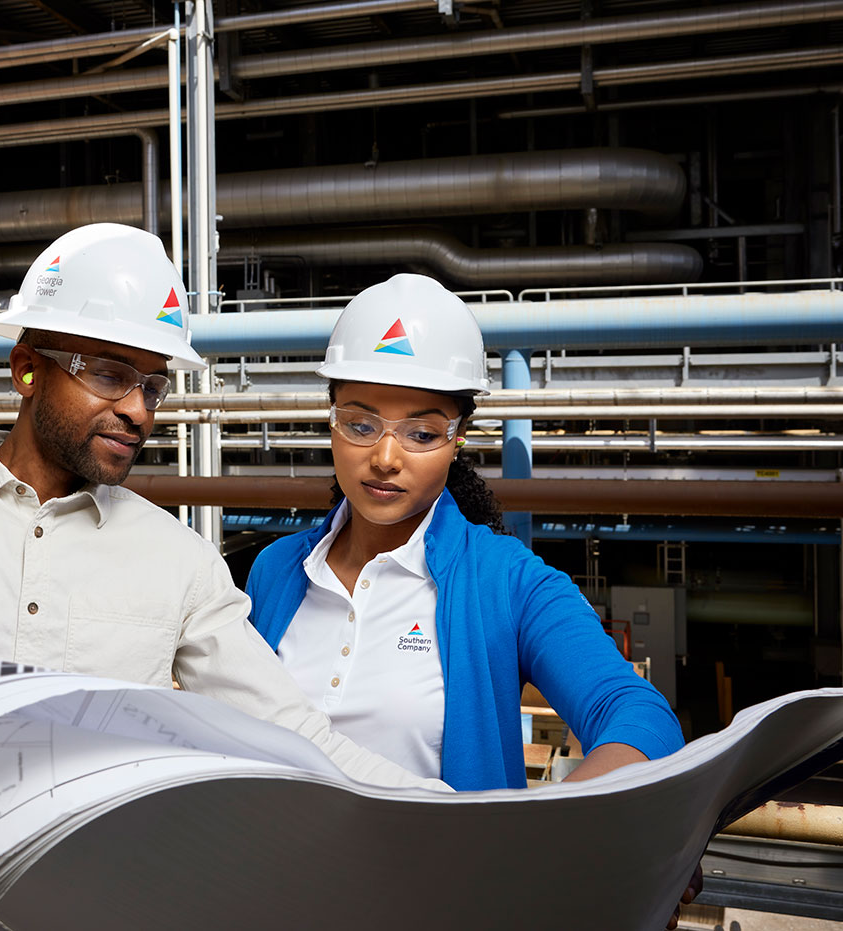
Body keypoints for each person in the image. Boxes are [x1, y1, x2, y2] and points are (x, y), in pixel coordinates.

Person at [0, 226, 445, 928]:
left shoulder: (178, 561)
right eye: (109, 373)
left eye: (153, 386)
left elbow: (294, 733)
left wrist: (463, 814)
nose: (137, 409)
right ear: (26, 368)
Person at [245, 274, 701, 926]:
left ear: (459, 436)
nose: (384, 456)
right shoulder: (277, 571)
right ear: (332, 415)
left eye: (422, 433)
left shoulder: (506, 580)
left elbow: (636, 714)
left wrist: (550, 837)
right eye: (359, 422)